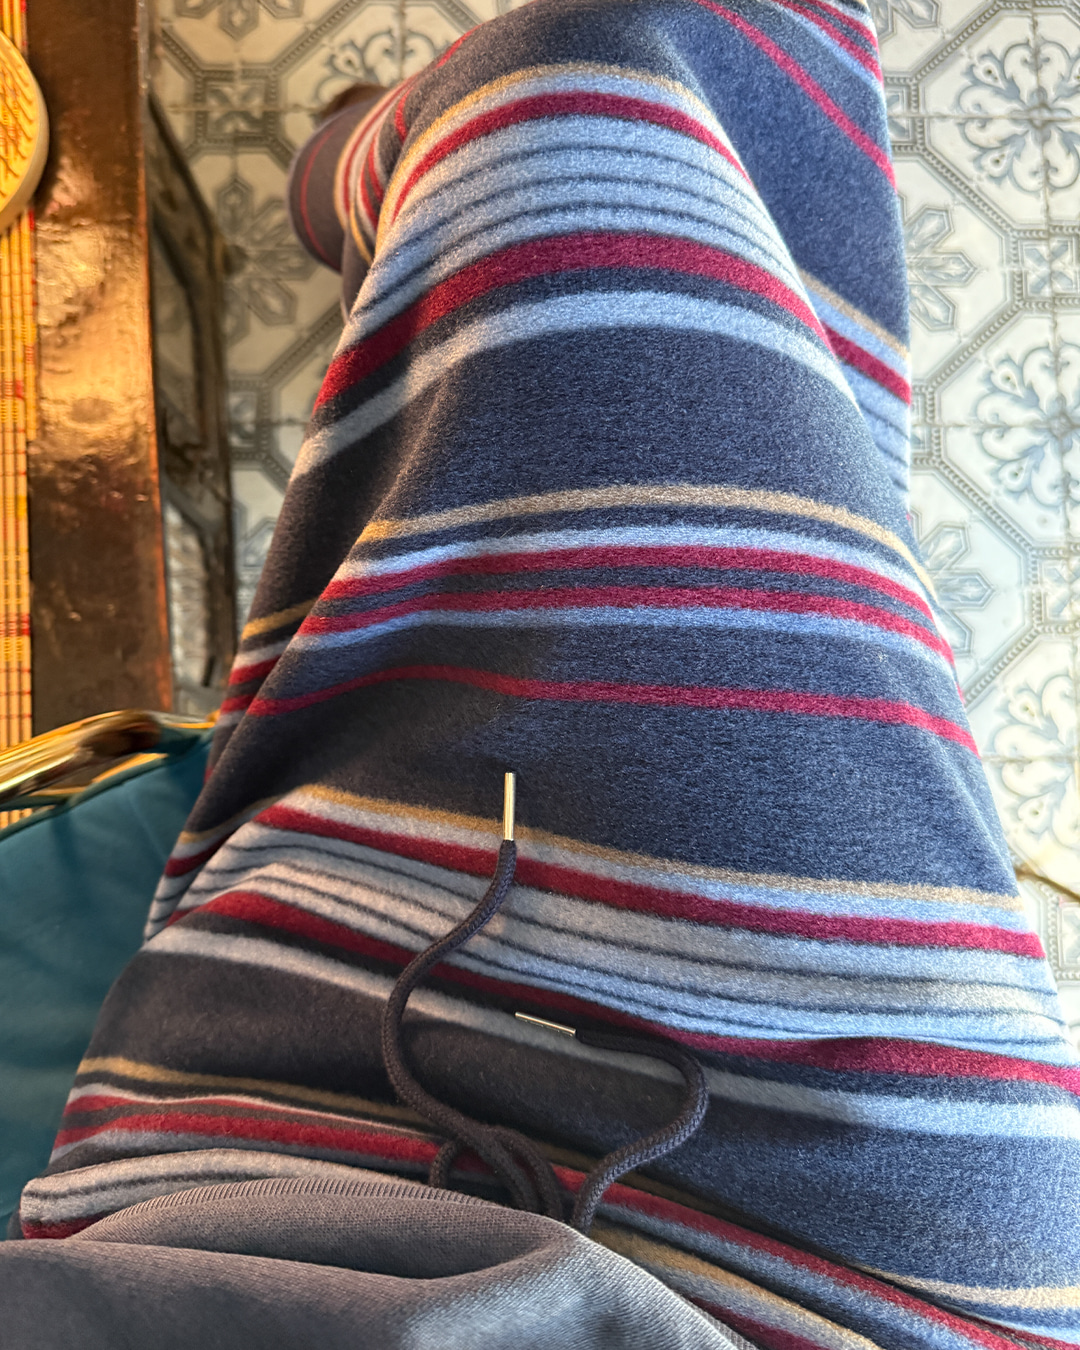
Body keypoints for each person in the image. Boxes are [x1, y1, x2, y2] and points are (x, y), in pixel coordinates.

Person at [6, 0, 1079, 1345]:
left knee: (575, 115)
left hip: (246, 1208)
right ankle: (374, 193)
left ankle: (368, 190)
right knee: (596, 148)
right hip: (871, 1265)